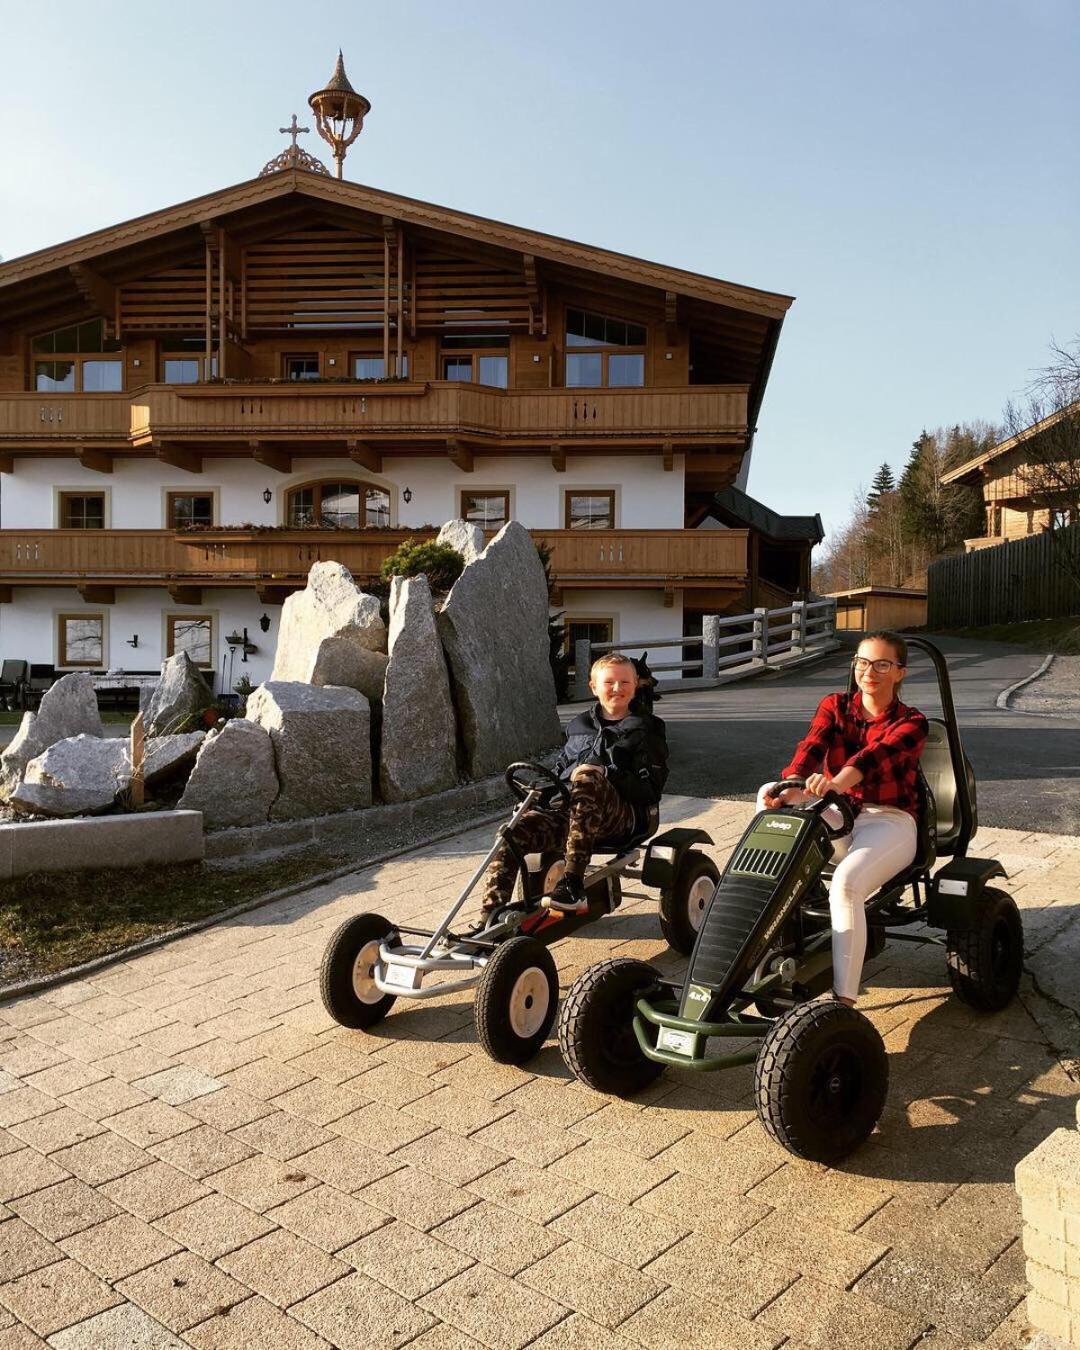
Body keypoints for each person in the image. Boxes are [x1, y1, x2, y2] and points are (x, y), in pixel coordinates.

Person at [758, 631, 928, 1005]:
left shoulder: (913, 722)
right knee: (768, 792)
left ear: (900, 672)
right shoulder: (835, 706)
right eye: (863, 663)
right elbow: (811, 746)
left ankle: (844, 1001)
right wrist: (791, 784)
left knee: (846, 884)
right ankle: (764, 912)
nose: (870, 672)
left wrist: (834, 783)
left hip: (890, 821)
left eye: (883, 664)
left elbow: (870, 759)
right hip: (839, 812)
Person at [481, 651, 669, 918]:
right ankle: (490, 918)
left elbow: (651, 791)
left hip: (623, 820)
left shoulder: (647, 729)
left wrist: (606, 773)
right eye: (609, 682)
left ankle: (572, 885)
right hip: (572, 816)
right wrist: (538, 792)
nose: (617, 689)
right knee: (511, 832)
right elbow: (560, 770)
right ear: (594, 687)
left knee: (588, 776)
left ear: (636, 685)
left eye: (625, 682)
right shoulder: (579, 725)